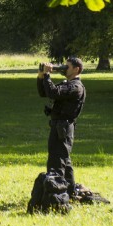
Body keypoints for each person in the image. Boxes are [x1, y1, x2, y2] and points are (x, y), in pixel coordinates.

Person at [37, 57, 85, 197]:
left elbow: (53, 93)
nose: (64, 68)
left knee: (56, 161)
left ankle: (55, 195)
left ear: (76, 69)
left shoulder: (76, 87)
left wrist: (47, 75)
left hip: (63, 128)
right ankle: (69, 192)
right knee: (65, 161)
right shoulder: (68, 84)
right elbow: (44, 92)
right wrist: (41, 77)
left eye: (67, 67)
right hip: (59, 127)